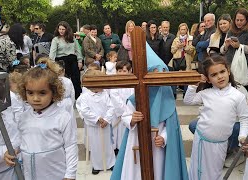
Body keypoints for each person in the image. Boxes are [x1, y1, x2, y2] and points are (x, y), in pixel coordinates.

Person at [111, 43, 189, 180]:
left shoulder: (167, 98)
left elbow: (170, 126)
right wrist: (132, 119)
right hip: (136, 139)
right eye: (155, 73)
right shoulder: (135, 98)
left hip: (156, 144)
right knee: (136, 171)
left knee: (157, 171)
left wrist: (164, 138)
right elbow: (126, 116)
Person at [4, 57, 78, 180]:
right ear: (24, 92)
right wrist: (12, 150)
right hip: (30, 173)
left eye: (42, 93)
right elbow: (21, 139)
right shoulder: (24, 117)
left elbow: (70, 146)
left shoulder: (62, 117)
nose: (36, 98)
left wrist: (70, 174)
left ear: (54, 92)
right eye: (30, 93)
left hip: (55, 173)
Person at [184, 55, 248, 180]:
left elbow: (245, 118)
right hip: (201, 140)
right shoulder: (206, 93)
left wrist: (243, 136)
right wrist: (194, 84)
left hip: (220, 143)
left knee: (214, 172)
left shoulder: (237, 96)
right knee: (197, 170)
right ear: (208, 79)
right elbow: (188, 101)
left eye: (222, 71)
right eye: (214, 75)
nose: (220, 76)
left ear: (228, 71)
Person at [76, 69, 116, 175]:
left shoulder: (104, 95)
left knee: (107, 144)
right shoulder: (85, 97)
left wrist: (107, 119)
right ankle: (97, 165)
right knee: (96, 146)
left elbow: (111, 107)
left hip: (105, 125)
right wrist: (97, 118)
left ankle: (110, 163)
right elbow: (85, 111)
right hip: (94, 126)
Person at [221, 8, 248, 95]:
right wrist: (226, 45)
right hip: (229, 64)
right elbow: (222, 50)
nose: (239, 22)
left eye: (241, 20)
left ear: (247, 20)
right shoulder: (230, 31)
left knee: (245, 89)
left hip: (244, 66)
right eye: (237, 20)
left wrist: (240, 46)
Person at [49, 21, 83, 99]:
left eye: (63, 29)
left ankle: (78, 97)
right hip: (61, 61)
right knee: (63, 80)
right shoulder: (55, 39)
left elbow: (77, 50)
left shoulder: (72, 38)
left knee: (76, 79)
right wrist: (51, 63)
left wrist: (80, 61)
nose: (61, 31)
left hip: (72, 59)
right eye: (59, 29)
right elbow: (52, 52)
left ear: (66, 29)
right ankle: (64, 97)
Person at [109, 61, 134, 154]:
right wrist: (124, 111)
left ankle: (126, 149)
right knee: (116, 133)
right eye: (119, 71)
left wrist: (128, 111)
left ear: (130, 71)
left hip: (129, 113)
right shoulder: (114, 83)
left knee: (126, 133)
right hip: (118, 114)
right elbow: (115, 98)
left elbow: (133, 98)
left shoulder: (132, 83)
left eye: (124, 71)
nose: (121, 73)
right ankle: (116, 149)